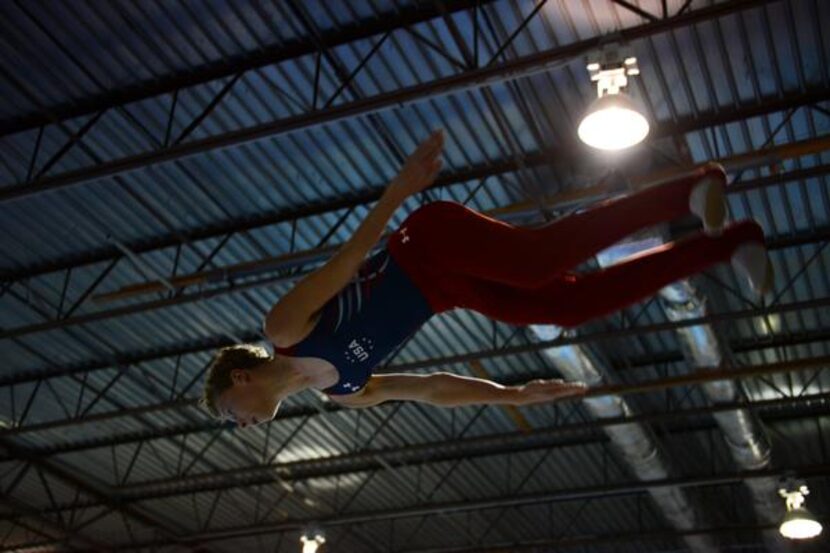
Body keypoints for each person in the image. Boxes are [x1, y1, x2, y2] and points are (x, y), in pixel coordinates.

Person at [201, 130, 773, 428]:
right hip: (449, 290)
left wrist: (396, 193)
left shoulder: (282, 328)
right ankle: (727, 245)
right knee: (570, 308)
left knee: (537, 262)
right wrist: (511, 395)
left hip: (424, 243)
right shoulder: (343, 394)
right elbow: (432, 387)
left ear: (243, 375)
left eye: (231, 413)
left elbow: (350, 261)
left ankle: (691, 189)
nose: (243, 425)